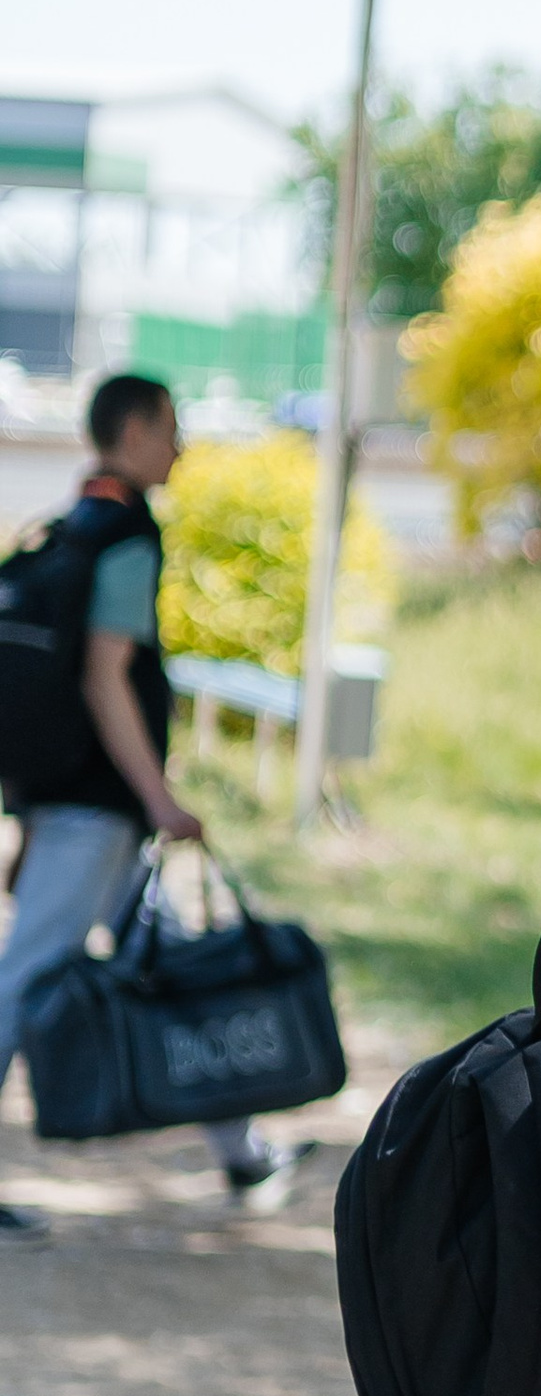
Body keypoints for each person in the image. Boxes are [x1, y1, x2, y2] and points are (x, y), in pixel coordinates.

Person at [0, 372, 298, 1243]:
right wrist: (161, 800)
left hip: (71, 799)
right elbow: (105, 676)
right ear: (133, 431)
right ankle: (243, 1149)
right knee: (25, 976)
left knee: (174, 962)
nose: (181, 446)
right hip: (100, 806)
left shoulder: (60, 526)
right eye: (172, 428)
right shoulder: (125, 533)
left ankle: (243, 1150)